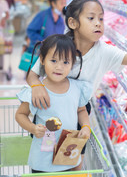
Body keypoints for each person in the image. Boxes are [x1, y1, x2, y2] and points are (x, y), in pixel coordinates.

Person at [26, 0, 127, 170]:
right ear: (73, 23)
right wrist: (36, 87)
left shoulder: (104, 52)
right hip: (51, 113)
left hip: (78, 113)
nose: (98, 23)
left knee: (72, 162)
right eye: (91, 18)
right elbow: (32, 74)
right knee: (44, 159)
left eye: (101, 19)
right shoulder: (58, 48)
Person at [15, 34, 91, 173]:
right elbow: (20, 114)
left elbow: (81, 111)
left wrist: (86, 126)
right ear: (42, 60)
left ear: (73, 63)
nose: (59, 67)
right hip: (43, 161)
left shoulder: (77, 88)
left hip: (68, 155)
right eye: (54, 60)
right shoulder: (36, 91)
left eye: (65, 62)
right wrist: (32, 128)